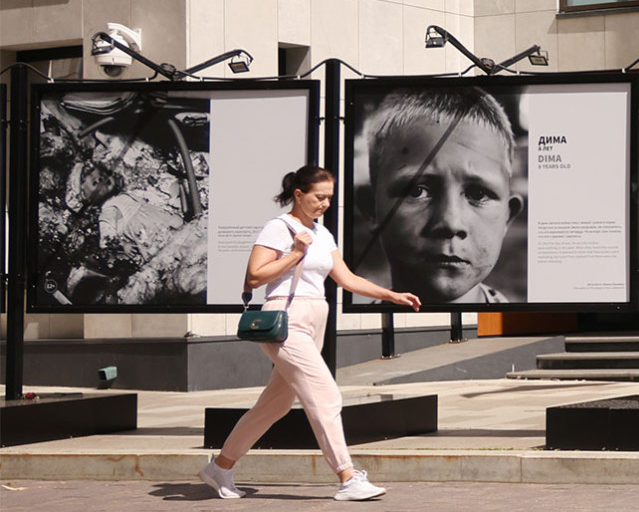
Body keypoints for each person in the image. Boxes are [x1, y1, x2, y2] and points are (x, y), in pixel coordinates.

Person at [199, 165, 421, 501]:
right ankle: (348, 477)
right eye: (319, 197)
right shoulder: (279, 228)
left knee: (275, 405)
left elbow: (346, 279)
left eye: (330, 198)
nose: (325, 203)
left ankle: (220, 467)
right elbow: (255, 277)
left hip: (315, 318)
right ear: (299, 194)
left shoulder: (322, 232)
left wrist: (391, 295)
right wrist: (296, 254)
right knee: (327, 395)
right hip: (286, 320)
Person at [361, 88, 524, 304]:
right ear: (372, 209)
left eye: (478, 194)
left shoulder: (517, 334)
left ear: (507, 216)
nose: (450, 222)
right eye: (417, 191)